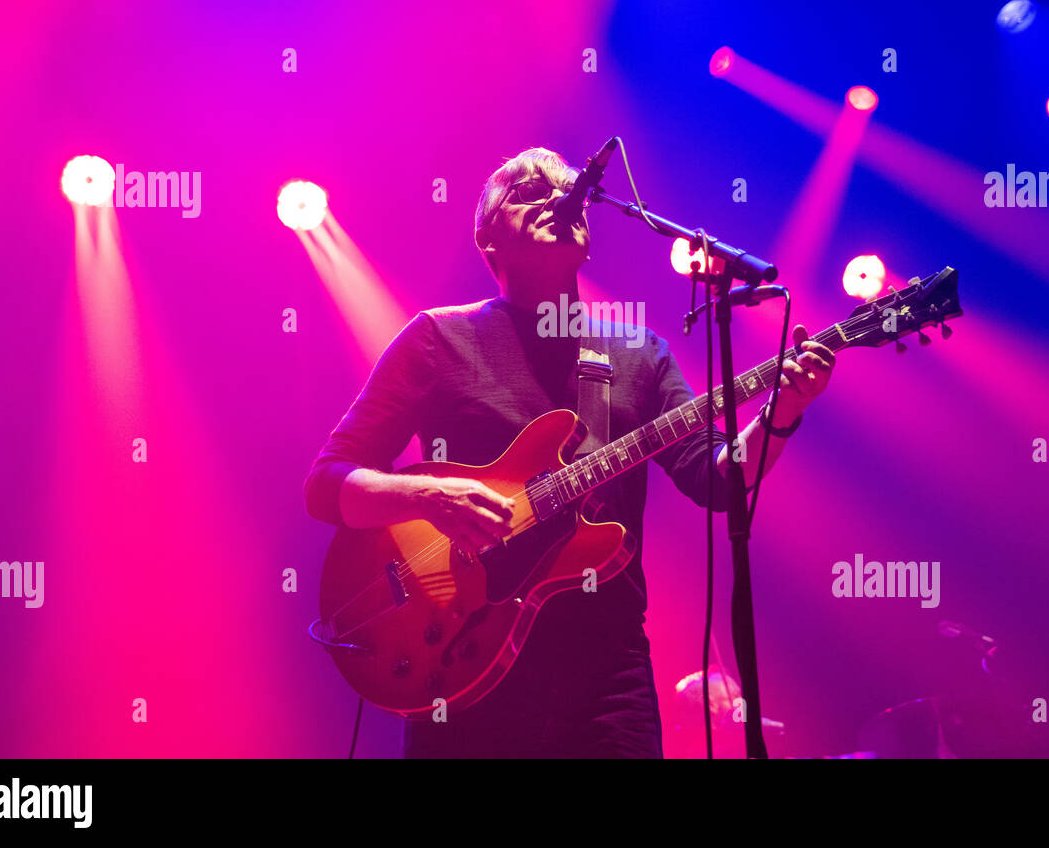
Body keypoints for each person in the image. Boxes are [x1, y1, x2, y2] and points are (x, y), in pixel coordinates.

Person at [304, 147, 835, 757]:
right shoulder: (436, 339)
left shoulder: (639, 353)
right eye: (528, 191)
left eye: (567, 192)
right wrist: (430, 495)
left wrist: (782, 412)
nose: (557, 198)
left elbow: (717, 481)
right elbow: (326, 485)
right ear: (487, 239)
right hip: (459, 659)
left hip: (606, 672)